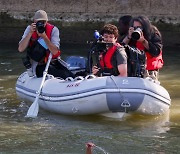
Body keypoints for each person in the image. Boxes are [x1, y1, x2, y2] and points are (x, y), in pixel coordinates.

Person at [18, 10, 74, 79]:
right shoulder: (30, 29)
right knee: (62, 75)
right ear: (34, 21)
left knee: (69, 76)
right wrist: (30, 33)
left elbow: (55, 52)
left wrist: (45, 37)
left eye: (43, 22)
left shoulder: (54, 30)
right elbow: (20, 49)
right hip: (38, 65)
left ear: (47, 22)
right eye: (38, 22)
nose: (41, 24)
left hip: (52, 62)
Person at [122, 15, 163, 80]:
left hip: (150, 70)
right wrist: (129, 37)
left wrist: (143, 41)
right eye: (135, 27)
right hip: (134, 68)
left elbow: (156, 52)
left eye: (139, 27)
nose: (137, 29)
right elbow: (120, 48)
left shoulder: (153, 33)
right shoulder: (132, 34)